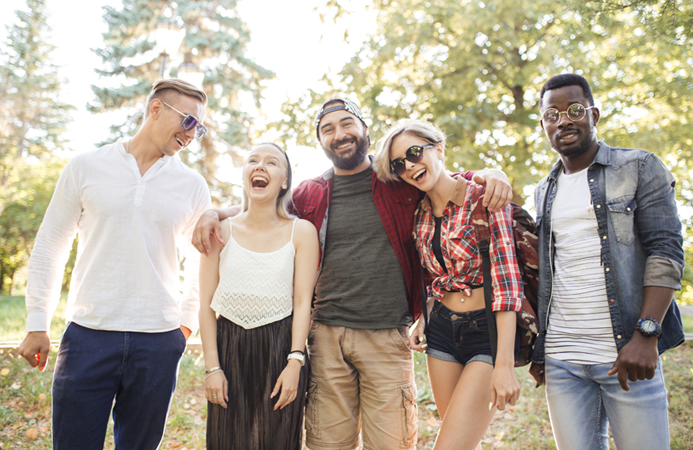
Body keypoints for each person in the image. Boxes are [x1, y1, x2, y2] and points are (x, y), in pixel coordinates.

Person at [192, 98, 513, 450]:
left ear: (364, 130)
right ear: (322, 143)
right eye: (327, 129)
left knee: (390, 444)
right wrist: (216, 213)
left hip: (387, 337)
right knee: (328, 444)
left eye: (347, 123)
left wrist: (487, 175)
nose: (339, 134)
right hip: (327, 337)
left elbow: (441, 180)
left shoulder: (399, 180)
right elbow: (266, 209)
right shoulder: (311, 193)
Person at [18, 79, 212, 450]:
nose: (193, 134)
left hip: (158, 342)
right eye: (189, 121)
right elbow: (50, 246)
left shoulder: (192, 185)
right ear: (156, 110)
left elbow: (200, 262)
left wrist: (185, 325)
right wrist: (37, 321)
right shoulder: (85, 167)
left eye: (199, 128)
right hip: (88, 335)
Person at [528, 73, 685, 450]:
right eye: (552, 115)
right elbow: (548, 272)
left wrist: (647, 334)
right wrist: (540, 349)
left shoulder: (640, 167)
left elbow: (666, 251)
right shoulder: (543, 190)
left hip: (627, 355)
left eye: (574, 110)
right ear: (543, 125)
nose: (563, 120)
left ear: (594, 114)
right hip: (563, 361)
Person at [374, 119, 522, 450]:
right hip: (441, 334)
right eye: (400, 164)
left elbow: (507, 282)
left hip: (487, 332)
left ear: (438, 148)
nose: (410, 165)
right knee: (463, 441)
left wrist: (504, 364)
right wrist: (424, 314)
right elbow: (432, 277)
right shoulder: (419, 213)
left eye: (414, 153)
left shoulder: (483, 197)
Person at [198, 143, 319, 449]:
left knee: (277, 440)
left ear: (285, 181)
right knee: (228, 441)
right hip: (228, 348)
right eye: (253, 160)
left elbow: (303, 302)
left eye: (271, 162)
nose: (260, 166)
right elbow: (205, 306)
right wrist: (213, 368)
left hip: (281, 349)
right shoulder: (219, 231)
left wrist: (295, 363)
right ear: (245, 175)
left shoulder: (302, 232)